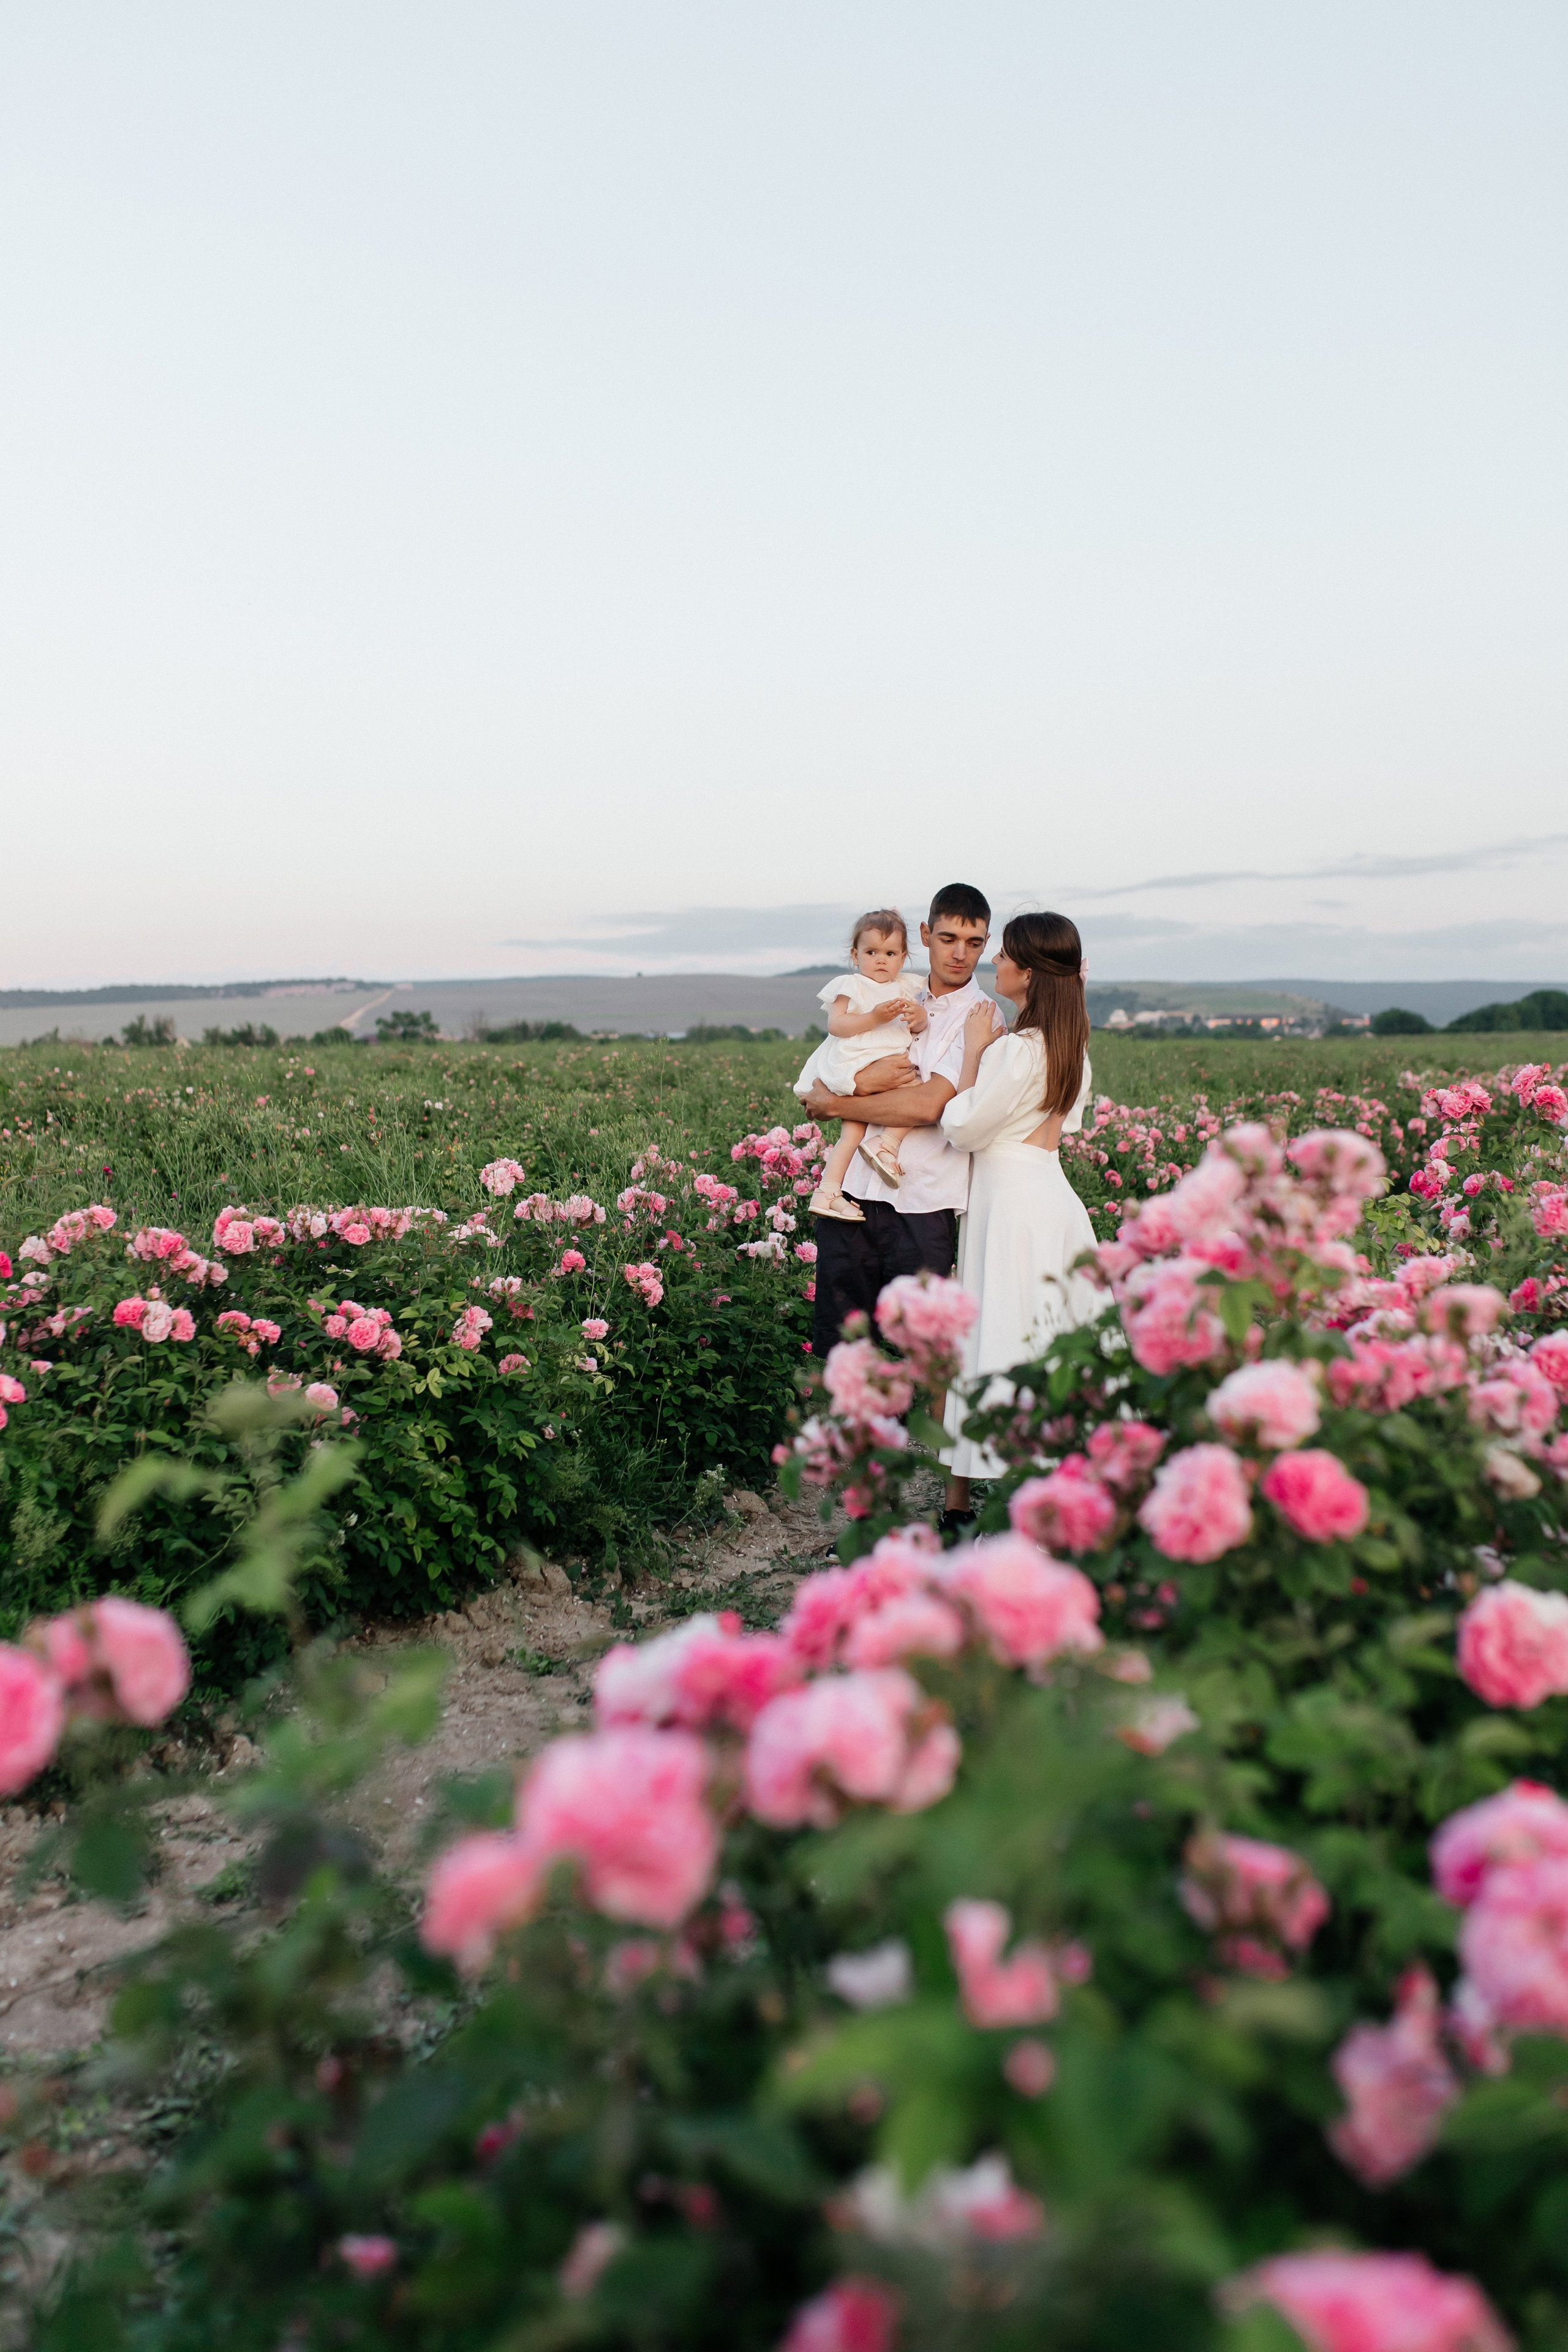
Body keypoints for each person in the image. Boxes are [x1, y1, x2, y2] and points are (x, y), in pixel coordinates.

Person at [798, 882, 1004, 1365]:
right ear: (927, 934)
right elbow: (830, 1072)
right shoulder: (886, 991)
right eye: (949, 938)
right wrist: (851, 1087)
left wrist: (840, 1104)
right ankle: (842, 1439)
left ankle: (918, 1444)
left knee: (921, 1352)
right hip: (852, 1196)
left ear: (987, 944)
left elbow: (928, 1106)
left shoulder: (982, 1015)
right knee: (840, 1343)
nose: (960, 954)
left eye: (974, 943)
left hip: (923, 1201)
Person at [939, 910, 1099, 1507]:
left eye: (1005, 954)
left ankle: (1007, 1490)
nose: (996, 962)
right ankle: (1058, 1478)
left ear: (1028, 973)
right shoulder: (1070, 1048)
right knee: (1050, 1329)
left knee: (1003, 1330)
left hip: (1008, 1202)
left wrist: (975, 1054)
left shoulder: (1016, 1051)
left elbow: (963, 1127)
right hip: (1052, 1195)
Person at [794, 910, 927, 1220]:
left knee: (861, 1128)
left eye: (890, 953)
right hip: (857, 1063)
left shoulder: (906, 987)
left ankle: (828, 1192)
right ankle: (885, 1144)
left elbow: (917, 1026)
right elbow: (836, 1025)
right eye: (872, 952)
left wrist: (918, 1018)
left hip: (886, 1062)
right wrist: (874, 1018)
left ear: (903, 957)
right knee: (910, 1093)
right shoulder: (850, 985)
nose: (881, 960)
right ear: (856, 955)